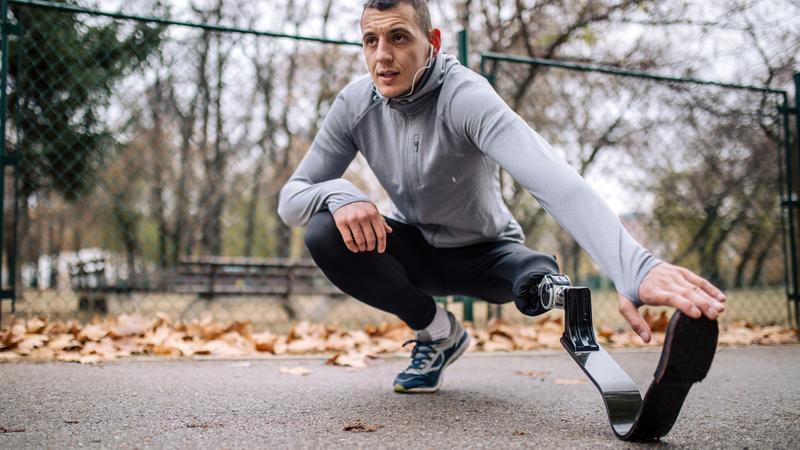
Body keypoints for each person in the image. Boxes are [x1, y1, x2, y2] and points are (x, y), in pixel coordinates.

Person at [278, 0, 726, 393]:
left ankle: (549, 288)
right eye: (370, 41)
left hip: (487, 256)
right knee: (324, 231)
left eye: (398, 37)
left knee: (532, 278)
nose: (382, 56)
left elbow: (554, 180)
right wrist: (340, 192)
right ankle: (437, 334)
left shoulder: (465, 96)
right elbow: (291, 199)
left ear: (431, 40)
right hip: (414, 253)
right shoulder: (356, 104)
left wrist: (635, 267)